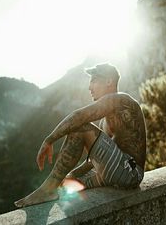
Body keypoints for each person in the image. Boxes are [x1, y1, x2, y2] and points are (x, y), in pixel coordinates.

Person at [14, 63, 146, 208]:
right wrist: (71, 174)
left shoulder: (122, 100)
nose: (90, 87)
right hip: (114, 173)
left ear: (109, 81)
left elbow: (79, 116)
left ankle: (47, 190)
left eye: (94, 80)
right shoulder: (105, 121)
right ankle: (54, 189)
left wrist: (49, 140)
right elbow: (95, 160)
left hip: (131, 173)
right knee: (66, 185)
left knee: (80, 127)